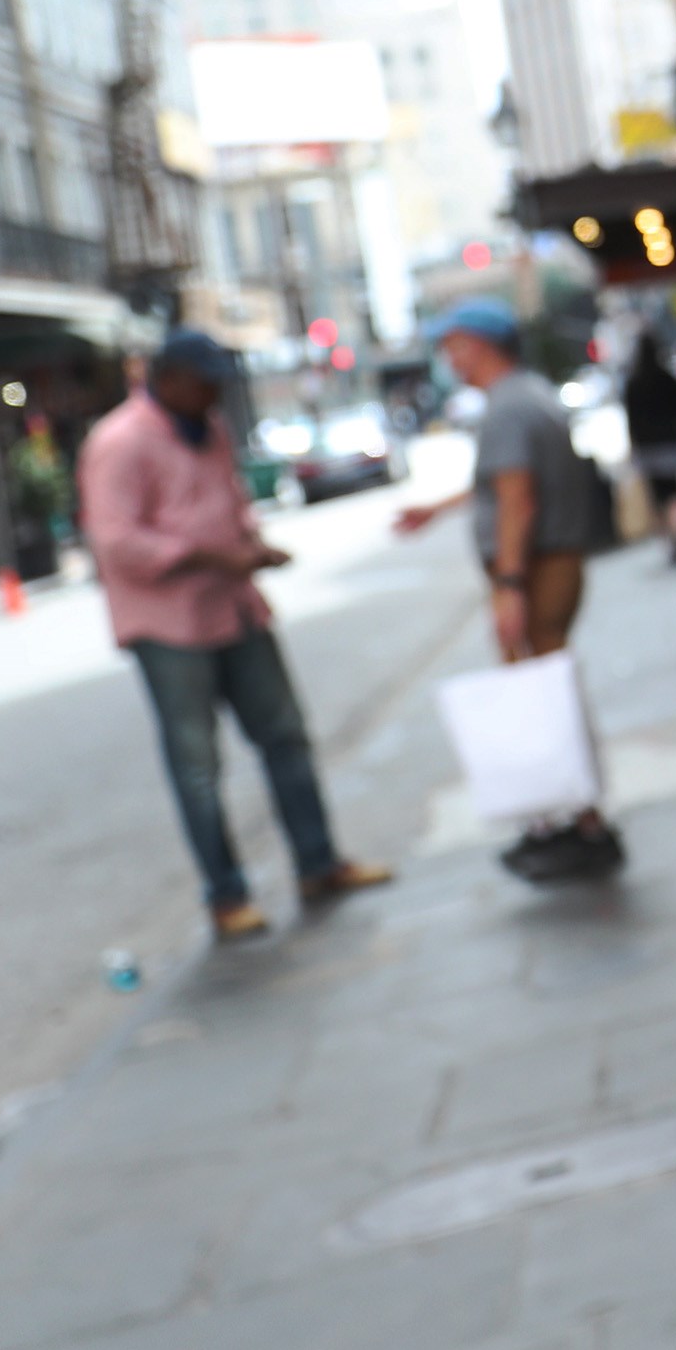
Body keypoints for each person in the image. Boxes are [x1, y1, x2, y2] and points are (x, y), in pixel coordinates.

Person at [78, 331, 393, 940]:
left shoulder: (210, 428)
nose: (213, 392)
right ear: (166, 380)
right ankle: (226, 895)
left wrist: (248, 546)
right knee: (197, 766)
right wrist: (206, 557)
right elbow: (117, 541)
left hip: (236, 610)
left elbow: (228, 502)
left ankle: (318, 861)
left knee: (286, 737)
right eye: (202, 381)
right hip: (171, 625)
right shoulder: (120, 443)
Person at [394, 298, 624, 881]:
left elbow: (519, 499)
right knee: (550, 691)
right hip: (554, 561)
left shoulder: (508, 411)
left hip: (537, 567)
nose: (449, 359)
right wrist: (438, 509)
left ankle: (577, 821)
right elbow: (504, 486)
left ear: (476, 344)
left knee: (542, 696)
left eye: (453, 346)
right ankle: (573, 815)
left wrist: (510, 586)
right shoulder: (528, 397)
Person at [620, 330, 676, 565]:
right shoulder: (667, 378)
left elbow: (631, 420)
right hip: (671, 443)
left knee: (658, 498)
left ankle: (670, 541)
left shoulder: (633, 384)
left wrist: (634, 447)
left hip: (648, 448)